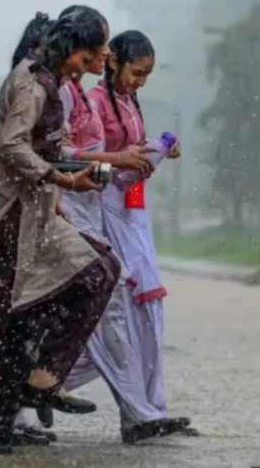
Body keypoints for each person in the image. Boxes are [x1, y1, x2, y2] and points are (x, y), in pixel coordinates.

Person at [0, 8, 121, 456]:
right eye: (87, 56)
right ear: (66, 48)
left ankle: (34, 386)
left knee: (97, 270)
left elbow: (48, 146)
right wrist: (62, 180)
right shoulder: (31, 82)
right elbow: (10, 147)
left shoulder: (53, 82)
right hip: (8, 214)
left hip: (37, 210)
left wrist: (74, 175)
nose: (89, 65)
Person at [83, 29, 194, 441]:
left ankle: (150, 408)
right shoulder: (93, 104)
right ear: (111, 62)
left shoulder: (129, 102)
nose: (140, 81)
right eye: (136, 72)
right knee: (120, 315)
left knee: (147, 312)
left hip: (133, 211)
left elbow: (129, 155)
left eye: (146, 75)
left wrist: (156, 149)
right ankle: (138, 412)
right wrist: (126, 160)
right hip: (105, 213)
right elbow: (89, 162)